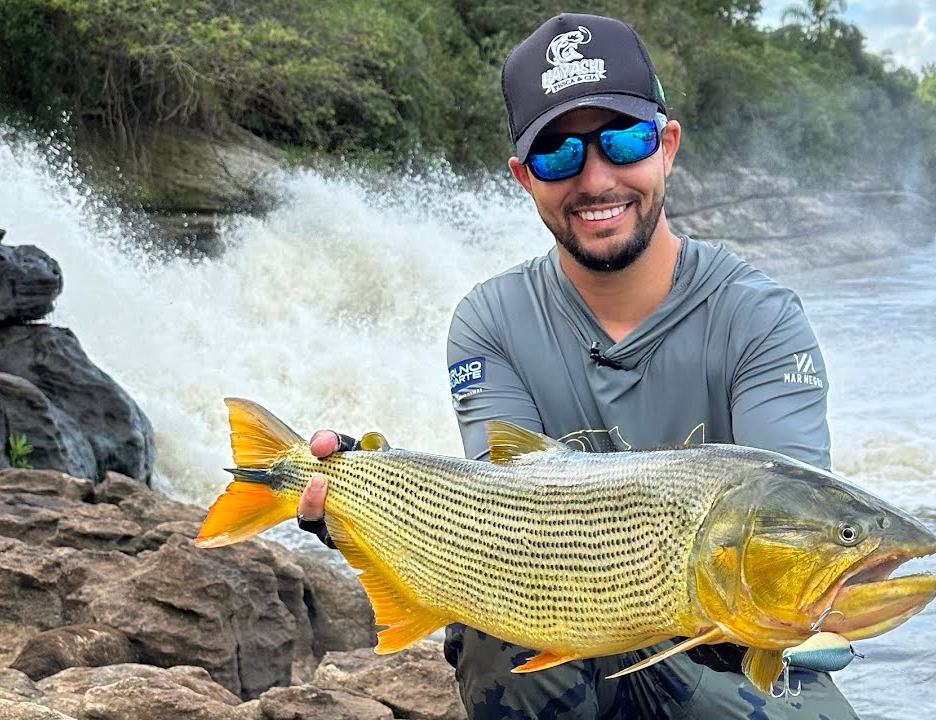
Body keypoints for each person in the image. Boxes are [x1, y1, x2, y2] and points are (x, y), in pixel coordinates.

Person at [295, 12, 861, 720]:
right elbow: (500, 518)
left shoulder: (761, 317)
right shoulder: (491, 321)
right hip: (560, 625)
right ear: (523, 178)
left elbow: (790, 540)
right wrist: (367, 505)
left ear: (667, 147)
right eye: (559, 155)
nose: (596, 179)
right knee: (491, 635)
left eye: (622, 140)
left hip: (726, 652)